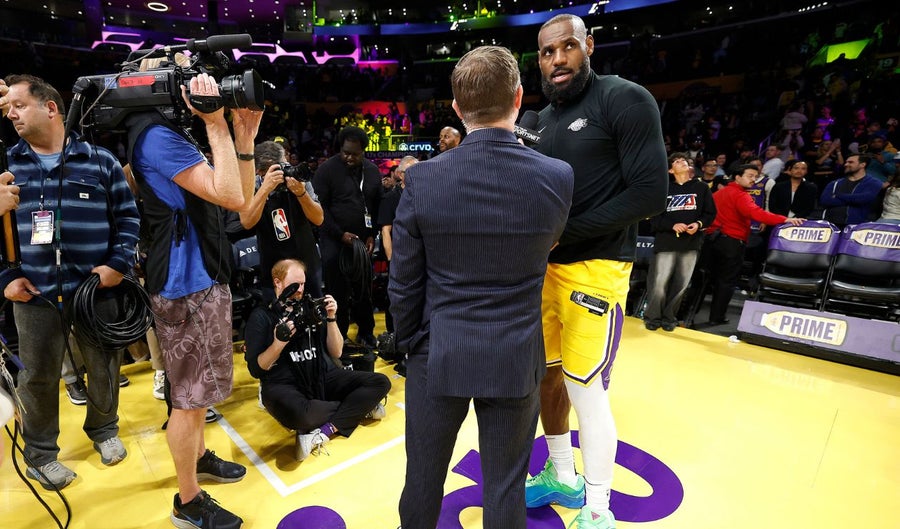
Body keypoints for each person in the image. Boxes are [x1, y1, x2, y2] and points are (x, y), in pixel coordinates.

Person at [389, 45, 574, 529]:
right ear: (518, 97)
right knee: (506, 488)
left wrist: (410, 344)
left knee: (422, 479)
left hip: (439, 349)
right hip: (515, 354)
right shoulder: (558, 177)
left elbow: (403, 281)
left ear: (456, 107)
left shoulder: (422, 181)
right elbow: (549, 244)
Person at [523, 15, 668, 529]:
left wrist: (564, 234)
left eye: (567, 47)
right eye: (546, 52)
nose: (557, 59)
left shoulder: (624, 98)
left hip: (596, 271)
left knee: (586, 389)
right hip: (544, 273)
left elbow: (649, 194)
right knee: (546, 379)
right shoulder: (538, 122)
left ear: (589, 45)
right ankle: (563, 475)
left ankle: (598, 508)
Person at [126, 61, 263, 528]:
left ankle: (200, 457)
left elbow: (240, 197)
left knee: (199, 394)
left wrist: (243, 137)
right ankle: (188, 501)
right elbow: (231, 196)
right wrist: (217, 124)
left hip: (200, 275)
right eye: (184, 75)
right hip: (185, 284)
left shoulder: (167, 132)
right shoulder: (156, 136)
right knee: (187, 400)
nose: (195, 84)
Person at [0, 74, 140, 489]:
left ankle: (105, 429)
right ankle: (41, 454)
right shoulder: (5, 165)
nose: (10, 115)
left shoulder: (100, 160)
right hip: (34, 293)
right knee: (37, 377)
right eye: (7, 109)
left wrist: (117, 265)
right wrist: (6, 278)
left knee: (104, 367)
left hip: (96, 291)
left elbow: (128, 218)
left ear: (50, 107)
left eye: (19, 106)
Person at [243, 258, 390, 461]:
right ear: (277, 282)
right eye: (295, 285)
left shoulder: (310, 308)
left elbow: (336, 352)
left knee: (380, 382)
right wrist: (278, 342)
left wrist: (331, 318)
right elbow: (256, 369)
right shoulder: (261, 316)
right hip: (284, 385)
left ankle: (326, 429)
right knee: (302, 415)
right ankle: (359, 408)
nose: (300, 290)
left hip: (320, 376)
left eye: (303, 284)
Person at [703, 165, 805, 324]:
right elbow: (756, 213)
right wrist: (785, 219)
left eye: (755, 177)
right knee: (726, 281)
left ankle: (685, 315)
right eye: (750, 176)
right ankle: (716, 318)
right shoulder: (741, 195)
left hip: (710, 240)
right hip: (731, 242)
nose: (754, 180)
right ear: (737, 177)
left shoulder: (718, 193)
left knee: (703, 279)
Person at [311, 126, 382, 347]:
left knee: (364, 290)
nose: (349, 157)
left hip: (362, 242)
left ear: (364, 151)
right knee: (337, 292)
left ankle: (366, 333)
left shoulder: (372, 172)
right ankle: (339, 337)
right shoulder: (326, 170)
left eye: (354, 154)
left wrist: (371, 235)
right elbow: (319, 209)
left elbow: (376, 206)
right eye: (345, 152)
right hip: (334, 240)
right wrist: (340, 234)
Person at [239, 140, 324, 298]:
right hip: (273, 265)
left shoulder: (296, 177)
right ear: (259, 171)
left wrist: (301, 194)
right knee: (277, 311)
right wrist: (265, 189)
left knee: (313, 309)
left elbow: (318, 219)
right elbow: (246, 222)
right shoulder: (253, 185)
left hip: (305, 261)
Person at [644, 153, 717, 332]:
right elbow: (654, 218)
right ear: (670, 170)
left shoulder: (701, 187)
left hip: (691, 243)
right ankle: (652, 317)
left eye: (684, 160)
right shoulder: (664, 189)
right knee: (659, 282)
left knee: (681, 283)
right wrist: (672, 225)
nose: (682, 162)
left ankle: (669, 317)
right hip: (666, 242)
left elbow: (710, 213)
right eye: (677, 161)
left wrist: (698, 224)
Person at [377, 155, 418, 335]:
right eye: (411, 171)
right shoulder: (390, 198)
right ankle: (393, 338)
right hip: (398, 257)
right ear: (400, 175)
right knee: (395, 298)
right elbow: (386, 231)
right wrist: (391, 259)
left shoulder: (423, 194)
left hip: (419, 255)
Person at [820, 153, 883, 228]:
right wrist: (853, 200)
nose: (846, 164)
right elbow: (825, 200)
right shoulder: (835, 183)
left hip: (857, 226)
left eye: (850, 162)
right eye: (846, 162)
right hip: (831, 224)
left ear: (862, 165)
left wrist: (838, 195)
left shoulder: (874, 182)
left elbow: (864, 199)